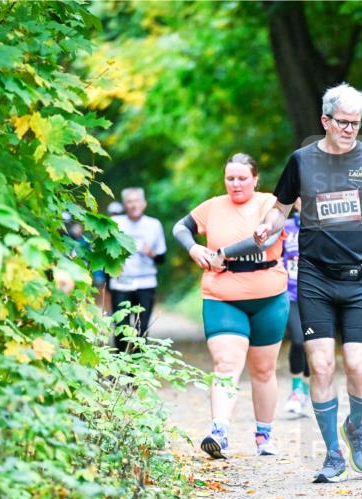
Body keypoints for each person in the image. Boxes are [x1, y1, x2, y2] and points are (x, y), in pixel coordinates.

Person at [254, 83, 362, 483]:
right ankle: (333, 453)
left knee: (359, 367)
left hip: (360, 279)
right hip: (315, 278)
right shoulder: (301, 161)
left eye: (356, 123)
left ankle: (355, 426)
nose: (351, 129)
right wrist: (268, 228)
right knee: (321, 366)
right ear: (325, 121)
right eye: (344, 122)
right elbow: (280, 209)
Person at [172, 153, 289, 458]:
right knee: (226, 364)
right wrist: (194, 246)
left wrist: (222, 251)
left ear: (255, 178)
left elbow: (264, 240)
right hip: (222, 296)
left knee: (263, 370)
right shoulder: (212, 206)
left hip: (269, 296)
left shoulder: (270, 203)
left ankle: (264, 435)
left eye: (242, 178)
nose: (235, 184)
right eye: (230, 178)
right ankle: (219, 432)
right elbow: (179, 228)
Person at [109, 188, 166, 352]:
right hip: (121, 283)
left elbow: (162, 257)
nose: (133, 205)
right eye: (129, 201)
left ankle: (136, 373)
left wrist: (151, 253)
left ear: (144, 204)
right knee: (121, 328)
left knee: (141, 329)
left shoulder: (154, 225)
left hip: (146, 282)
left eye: (136, 201)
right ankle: (121, 370)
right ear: (124, 205)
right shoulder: (116, 224)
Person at [281, 198, 311, 416]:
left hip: (317, 296)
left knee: (313, 344)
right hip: (290, 293)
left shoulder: (323, 226)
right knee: (299, 340)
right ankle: (295, 390)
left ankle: (306, 392)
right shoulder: (286, 227)